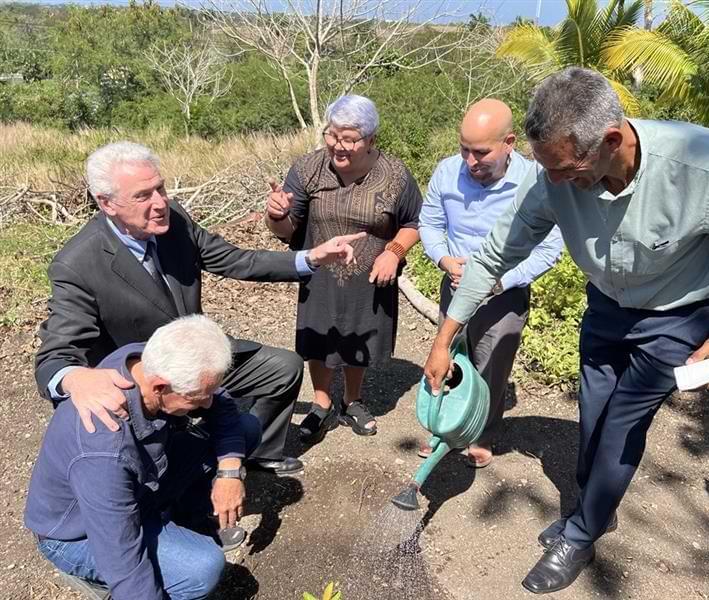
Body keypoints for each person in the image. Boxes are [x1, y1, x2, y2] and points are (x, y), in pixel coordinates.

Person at [423, 67, 709, 594]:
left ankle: (581, 532)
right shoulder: (553, 177)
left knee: (622, 422)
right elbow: (493, 256)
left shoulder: (705, 166)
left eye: (565, 169)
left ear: (611, 141)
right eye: (546, 167)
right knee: (594, 412)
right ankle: (597, 506)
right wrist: (445, 339)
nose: (554, 182)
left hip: (679, 313)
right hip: (607, 304)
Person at [34, 141, 364, 476]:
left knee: (282, 368)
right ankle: (196, 465)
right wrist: (74, 378)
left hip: (195, 356)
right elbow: (55, 356)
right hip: (152, 382)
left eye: (160, 188)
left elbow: (234, 259)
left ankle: (255, 450)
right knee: (170, 467)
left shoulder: (174, 219)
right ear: (107, 203)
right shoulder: (78, 264)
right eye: (143, 196)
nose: (160, 203)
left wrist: (311, 258)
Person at [26, 315, 260, 600]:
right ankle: (106, 579)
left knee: (244, 429)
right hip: (79, 532)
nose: (208, 402)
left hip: (142, 481)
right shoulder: (104, 450)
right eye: (198, 397)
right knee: (202, 569)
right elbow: (121, 554)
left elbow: (221, 402)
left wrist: (229, 472)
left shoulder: (143, 362)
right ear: (159, 387)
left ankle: (185, 525)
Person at [267, 95, 422, 442]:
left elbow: (415, 221)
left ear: (371, 140)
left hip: (370, 276)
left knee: (360, 331)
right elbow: (287, 230)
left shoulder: (395, 174)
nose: (338, 145)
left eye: (349, 139)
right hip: (320, 273)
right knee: (319, 334)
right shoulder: (307, 168)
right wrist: (276, 214)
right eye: (332, 135)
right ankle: (321, 403)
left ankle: (352, 400)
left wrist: (393, 252)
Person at [418, 98, 563, 468]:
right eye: (464, 149)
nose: (470, 161)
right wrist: (444, 259)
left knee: (491, 368)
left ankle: (481, 433)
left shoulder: (535, 181)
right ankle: (443, 428)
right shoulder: (446, 172)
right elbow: (430, 224)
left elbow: (549, 248)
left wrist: (501, 281)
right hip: (454, 285)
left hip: (504, 293)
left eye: (481, 152)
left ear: (509, 143)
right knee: (448, 357)